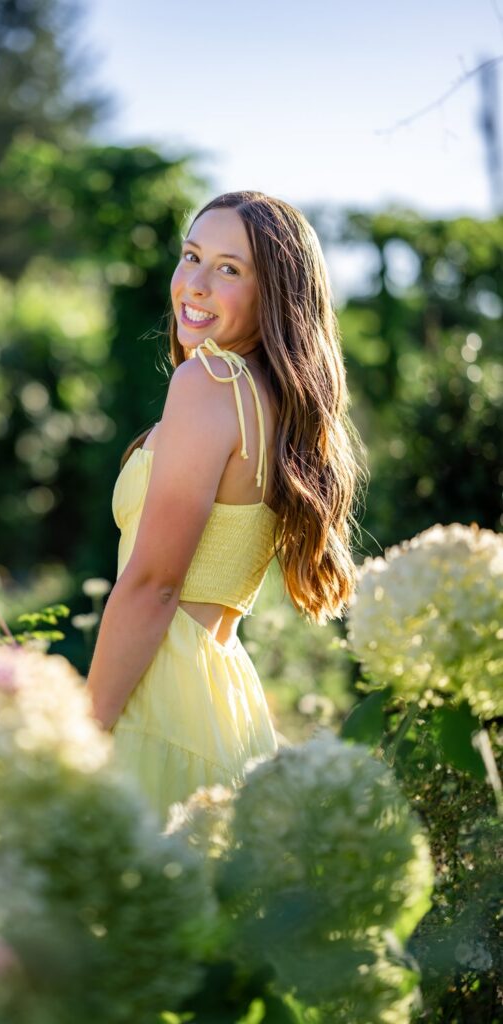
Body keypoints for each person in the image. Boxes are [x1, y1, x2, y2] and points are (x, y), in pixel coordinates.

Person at [85, 190, 367, 826]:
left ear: (275, 295)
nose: (197, 284)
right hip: (224, 704)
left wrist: (81, 733)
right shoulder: (276, 409)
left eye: (229, 268)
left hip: (157, 699)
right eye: (192, 257)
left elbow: (155, 585)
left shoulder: (207, 383)